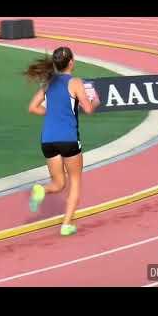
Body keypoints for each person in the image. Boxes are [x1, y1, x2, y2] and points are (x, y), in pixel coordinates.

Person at [24, 47, 100, 236]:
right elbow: (89, 109)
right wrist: (96, 100)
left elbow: (32, 107)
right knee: (74, 182)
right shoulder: (75, 82)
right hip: (68, 138)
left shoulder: (49, 82)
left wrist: (51, 112)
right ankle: (66, 224)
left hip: (48, 139)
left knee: (58, 184)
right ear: (71, 63)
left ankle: (41, 190)